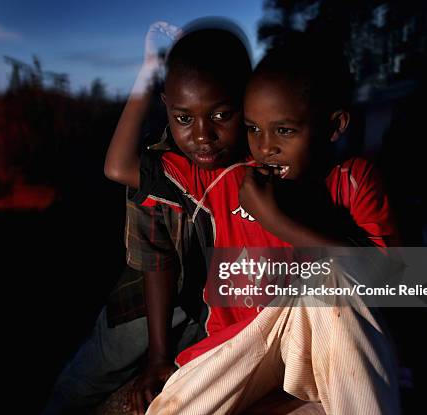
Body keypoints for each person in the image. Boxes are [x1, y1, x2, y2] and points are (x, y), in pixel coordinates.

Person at [125, 34, 400, 414]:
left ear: (334, 126)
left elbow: (400, 282)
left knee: (331, 280)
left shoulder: (354, 179)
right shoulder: (229, 175)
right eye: (254, 129)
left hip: (309, 330)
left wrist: (276, 219)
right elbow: (120, 168)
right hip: (237, 344)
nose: (266, 147)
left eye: (284, 131)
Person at [104, 20, 253, 414]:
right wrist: (157, 358)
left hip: (214, 316)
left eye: (222, 115)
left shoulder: (259, 167)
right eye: (185, 119)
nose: (203, 136)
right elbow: (156, 261)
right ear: (167, 107)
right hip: (149, 304)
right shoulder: (173, 170)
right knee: (81, 384)